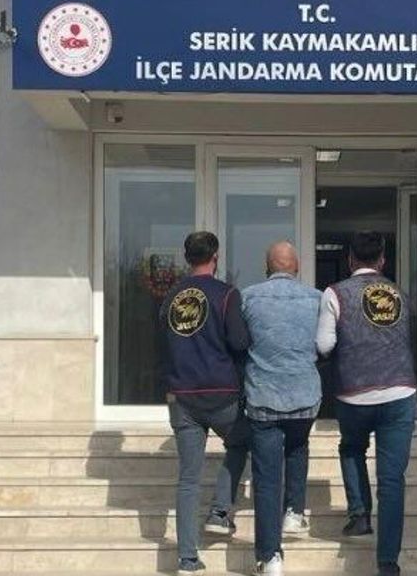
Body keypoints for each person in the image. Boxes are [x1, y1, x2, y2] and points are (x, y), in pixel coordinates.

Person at [317, 231, 417, 576]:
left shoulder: (335, 293)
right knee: (392, 480)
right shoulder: (400, 293)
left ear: (350, 260)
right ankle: (387, 562)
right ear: (382, 260)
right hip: (400, 392)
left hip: (355, 393)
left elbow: (324, 344)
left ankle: (360, 515)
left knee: (351, 448)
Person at [160, 231, 251, 576]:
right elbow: (239, 342)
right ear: (215, 257)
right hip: (221, 393)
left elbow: (165, 342)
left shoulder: (171, 297)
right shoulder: (226, 294)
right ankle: (220, 511)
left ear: (187, 258)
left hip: (182, 396)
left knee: (188, 478)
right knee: (241, 442)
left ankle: (187, 559)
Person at [240, 242, 324, 576]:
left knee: (265, 478)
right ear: (297, 266)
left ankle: (270, 557)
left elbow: (238, 342)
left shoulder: (248, 297)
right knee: (298, 446)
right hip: (304, 394)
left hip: (263, 395)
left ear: (267, 267)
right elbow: (326, 344)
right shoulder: (316, 299)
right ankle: (294, 511)